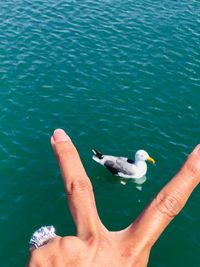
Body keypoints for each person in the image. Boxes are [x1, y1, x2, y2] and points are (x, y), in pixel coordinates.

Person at [27, 129, 200, 267]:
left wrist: (39, 241)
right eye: (144, 156)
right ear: (139, 157)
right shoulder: (134, 169)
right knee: (165, 203)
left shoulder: (136, 165)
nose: (147, 158)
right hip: (115, 168)